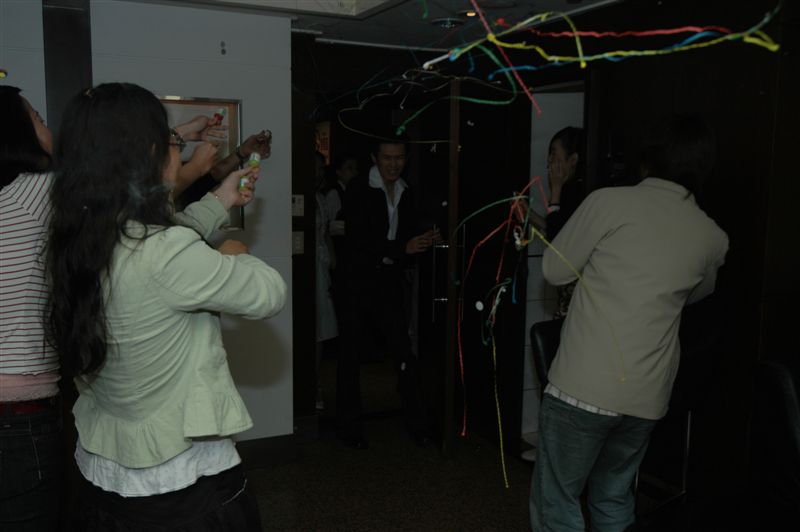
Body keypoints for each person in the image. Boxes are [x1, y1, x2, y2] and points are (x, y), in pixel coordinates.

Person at [45, 83, 287, 531]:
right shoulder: (164, 253)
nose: (180, 150)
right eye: (173, 140)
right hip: (180, 483)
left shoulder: (77, 240)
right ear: (151, 155)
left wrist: (222, 199)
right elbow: (268, 293)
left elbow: (168, 240)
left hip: (105, 471)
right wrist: (235, 254)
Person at [529, 114, 729, 531]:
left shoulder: (609, 202)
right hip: (646, 397)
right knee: (614, 496)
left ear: (648, 158)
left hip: (584, 388)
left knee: (558, 501)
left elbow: (554, 269)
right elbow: (696, 294)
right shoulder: (712, 235)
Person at [336, 136, 438, 449]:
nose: (394, 164)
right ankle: (350, 428)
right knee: (351, 356)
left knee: (404, 352)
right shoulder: (358, 189)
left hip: (389, 282)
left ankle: (418, 424)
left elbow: (408, 230)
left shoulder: (407, 191)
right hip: (356, 283)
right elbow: (359, 238)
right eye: (387, 158)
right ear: (375, 158)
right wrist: (401, 248)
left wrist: (424, 237)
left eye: (399, 158)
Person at [0, 85, 61, 531]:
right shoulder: (35, 193)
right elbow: (115, 183)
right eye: (38, 117)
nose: (46, 125)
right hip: (17, 411)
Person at [543, 127, 586, 317]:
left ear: (573, 159)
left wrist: (555, 190)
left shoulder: (579, 195)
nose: (549, 160)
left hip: (577, 304)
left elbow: (556, 242)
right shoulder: (570, 190)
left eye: (554, 153)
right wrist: (528, 214)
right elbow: (559, 229)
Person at [314, 152, 337, 410]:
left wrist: (332, 259)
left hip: (321, 266)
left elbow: (326, 233)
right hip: (310, 267)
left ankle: (316, 381)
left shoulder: (320, 198)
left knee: (320, 329)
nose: (318, 173)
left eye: (321, 169)